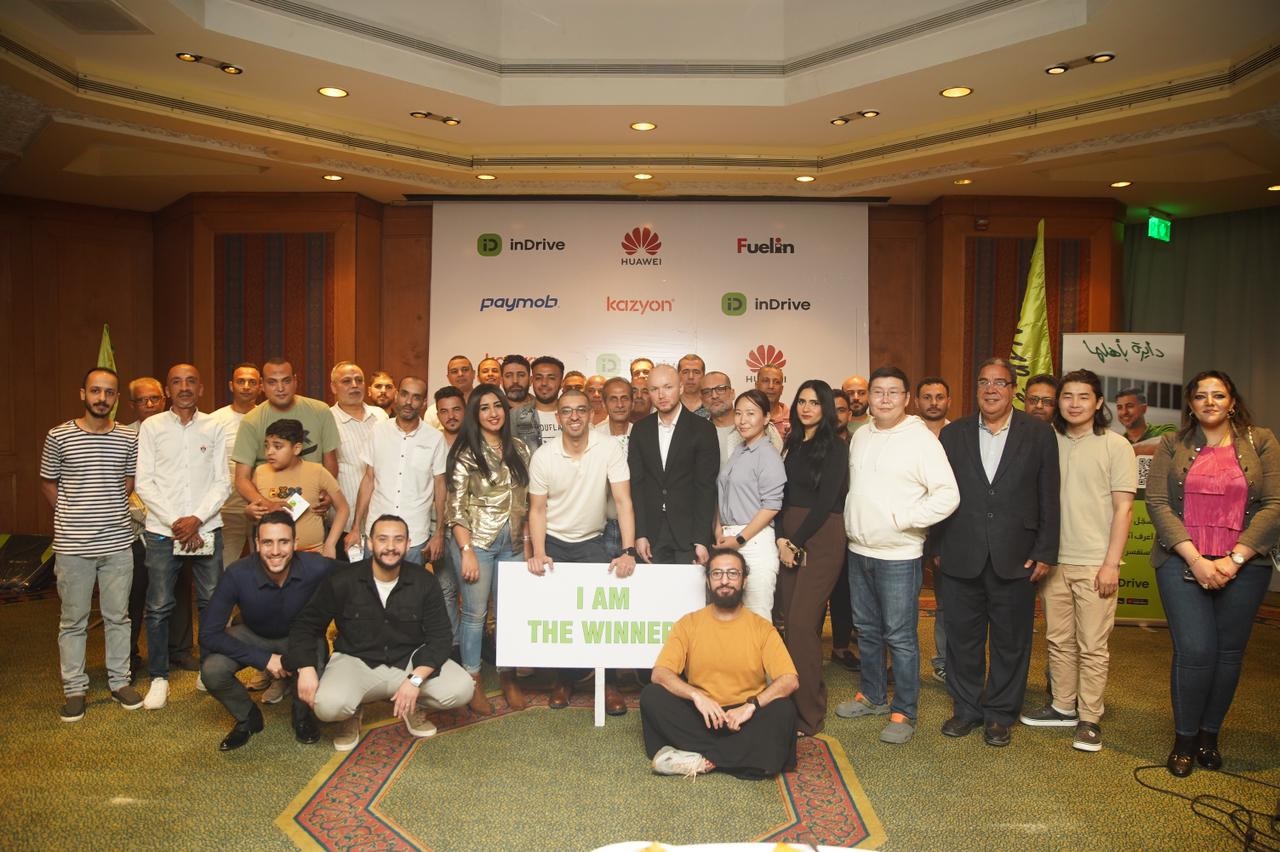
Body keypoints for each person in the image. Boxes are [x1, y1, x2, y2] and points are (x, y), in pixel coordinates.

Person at [1146, 370, 1279, 777]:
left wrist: (1234, 559)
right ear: (1191, 404)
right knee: (1195, 651)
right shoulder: (1172, 443)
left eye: (1218, 395)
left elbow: (1275, 504)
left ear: (1232, 402)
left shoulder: (1262, 440)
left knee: (1227, 654)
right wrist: (1197, 560)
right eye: (1201, 396)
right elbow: (1157, 502)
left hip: (1245, 565)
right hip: (1181, 560)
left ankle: (1209, 736)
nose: (1209, 402)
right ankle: (1184, 739)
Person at [933, 358, 1059, 748]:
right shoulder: (952, 434)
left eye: (1000, 383)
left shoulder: (1038, 434)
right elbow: (937, 492)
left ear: (1013, 390)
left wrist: (1045, 551)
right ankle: (967, 709)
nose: (991, 389)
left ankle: (1000, 714)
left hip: (1017, 555)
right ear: (976, 389)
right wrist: (936, 546)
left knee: (1011, 641)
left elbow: (1049, 495)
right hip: (960, 553)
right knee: (962, 640)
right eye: (984, 382)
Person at [835, 367, 959, 744]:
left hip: (899, 555)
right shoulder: (861, 436)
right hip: (859, 550)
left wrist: (904, 520)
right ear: (868, 398)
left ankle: (904, 710)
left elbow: (948, 495)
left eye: (893, 392)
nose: (885, 399)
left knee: (900, 636)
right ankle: (873, 696)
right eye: (878, 391)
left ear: (906, 398)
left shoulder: (921, 440)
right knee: (867, 630)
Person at [1020, 369, 1135, 753]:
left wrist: (1111, 564)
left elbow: (1123, 510)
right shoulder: (1048, 440)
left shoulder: (1115, 446)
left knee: (1092, 645)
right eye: (1067, 396)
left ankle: (1089, 718)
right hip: (1053, 560)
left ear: (1098, 402)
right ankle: (1062, 706)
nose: (1074, 404)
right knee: (1058, 640)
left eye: (1083, 397)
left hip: (1095, 562)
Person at [289, 515, 475, 751]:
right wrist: (305, 668)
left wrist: (415, 680)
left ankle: (412, 705)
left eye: (398, 540)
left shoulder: (424, 581)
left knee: (462, 688)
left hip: (409, 662)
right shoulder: (342, 580)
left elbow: (441, 637)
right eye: (383, 539)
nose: (390, 547)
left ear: (408, 544)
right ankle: (352, 712)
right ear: (370, 543)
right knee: (327, 706)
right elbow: (306, 625)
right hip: (356, 662)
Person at [641, 549, 799, 778]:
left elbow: (789, 680)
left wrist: (751, 706)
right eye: (717, 574)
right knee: (652, 696)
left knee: (784, 710)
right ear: (708, 581)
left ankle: (703, 759)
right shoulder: (689, 623)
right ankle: (743, 758)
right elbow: (660, 673)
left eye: (733, 573)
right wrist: (697, 696)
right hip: (703, 714)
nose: (725, 580)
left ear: (744, 581)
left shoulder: (762, 628)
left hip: (745, 718)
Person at [41, 367, 144, 720]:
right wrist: (72, 513)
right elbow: (48, 482)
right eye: (96, 391)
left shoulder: (128, 438)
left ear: (117, 398)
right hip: (73, 547)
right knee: (73, 620)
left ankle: (120, 682)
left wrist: (105, 511)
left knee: (119, 617)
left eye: (109, 392)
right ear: (83, 393)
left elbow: (128, 483)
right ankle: (74, 688)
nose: (102, 398)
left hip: (118, 544)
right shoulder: (59, 436)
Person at [527, 388, 637, 714]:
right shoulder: (543, 456)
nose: (574, 416)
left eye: (580, 410)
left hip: (592, 541)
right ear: (558, 417)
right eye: (566, 411)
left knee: (602, 615)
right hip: (554, 541)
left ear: (591, 414)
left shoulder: (608, 448)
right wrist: (538, 551)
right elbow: (537, 509)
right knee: (561, 615)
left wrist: (628, 550)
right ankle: (565, 680)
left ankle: (609, 682)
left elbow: (623, 501)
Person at [134, 364, 231, 710]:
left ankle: (209, 670)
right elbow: (144, 482)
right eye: (176, 382)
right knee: (159, 606)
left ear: (200, 388)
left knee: (211, 603)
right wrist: (177, 522)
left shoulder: (214, 426)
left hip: (206, 527)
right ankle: (159, 677)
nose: (184, 387)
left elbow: (223, 481)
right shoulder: (152, 427)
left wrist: (196, 519)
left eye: (191, 381)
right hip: (164, 531)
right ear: (167, 390)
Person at [199, 512, 332, 751]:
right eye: (268, 542)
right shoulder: (237, 573)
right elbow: (208, 633)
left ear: (295, 543)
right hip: (254, 636)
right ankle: (248, 718)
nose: (276, 551)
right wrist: (264, 659)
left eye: (284, 542)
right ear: (257, 543)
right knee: (212, 670)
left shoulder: (316, 566)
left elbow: (361, 574)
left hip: (299, 638)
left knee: (316, 670)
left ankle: (302, 716)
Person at [446, 383, 533, 712]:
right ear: (475, 414)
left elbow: (528, 501)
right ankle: (473, 682)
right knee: (475, 615)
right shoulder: (465, 452)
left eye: (497, 406)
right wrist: (466, 550)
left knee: (509, 613)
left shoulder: (520, 448)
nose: (493, 413)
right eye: (484, 408)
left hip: (513, 543)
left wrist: (527, 544)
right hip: (477, 542)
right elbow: (455, 508)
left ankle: (509, 677)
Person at [344, 377, 451, 629]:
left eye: (416, 397)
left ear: (423, 403)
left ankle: (406, 644)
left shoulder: (434, 439)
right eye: (404, 394)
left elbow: (440, 486)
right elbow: (368, 479)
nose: (408, 402)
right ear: (397, 395)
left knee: (409, 601)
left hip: (414, 534)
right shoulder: (378, 431)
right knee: (370, 597)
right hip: (377, 532)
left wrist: (439, 532)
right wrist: (356, 527)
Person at [775, 379, 849, 736]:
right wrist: (781, 538)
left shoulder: (835, 446)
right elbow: (781, 496)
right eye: (802, 401)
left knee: (803, 624)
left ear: (826, 408)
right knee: (791, 624)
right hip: (789, 537)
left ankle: (810, 712)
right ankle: (791, 704)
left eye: (815, 403)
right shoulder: (791, 443)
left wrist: (794, 541)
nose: (806, 408)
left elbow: (826, 502)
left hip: (820, 537)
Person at [124, 375, 195, 677]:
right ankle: (127, 656)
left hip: (175, 527)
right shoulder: (124, 436)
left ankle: (179, 650)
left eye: (155, 398)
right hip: (135, 530)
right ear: (133, 404)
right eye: (143, 400)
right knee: (134, 595)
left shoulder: (179, 432)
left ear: (164, 399)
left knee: (178, 590)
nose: (150, 404)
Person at [629, 365, 720, 565]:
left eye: (668, 387)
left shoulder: (703, 429)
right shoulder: (640, 430)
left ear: (681, 388)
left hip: (689, 533)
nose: (661, 395)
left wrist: (701, 539)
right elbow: (637, 484)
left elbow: (705, 487)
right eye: (654, 389)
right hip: (651, 533)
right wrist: (640, 533)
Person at [232, 357, 341, 513]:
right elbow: (241, 479)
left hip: (313, 506)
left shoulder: (320, 411)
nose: (280, 388)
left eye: (286, 381)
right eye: (272, 382)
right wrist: (269, 505)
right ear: (262, 385)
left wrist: (327, 493)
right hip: (270, 509)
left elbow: (330, 461)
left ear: (295, 381)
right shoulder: (251, 421)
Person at [712, 389, 785, 621]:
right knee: (730, 615)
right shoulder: (738, 450)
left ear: (766, 418)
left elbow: (772, 506)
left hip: (754, 541)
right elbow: (723, 493)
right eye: (739, 413)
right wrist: (718, 528)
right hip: (729, 537)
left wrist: (740, 539)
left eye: (751, 413)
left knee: (757, 615)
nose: (743, 420)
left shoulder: (768, 455)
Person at [250, 419, 348, 557]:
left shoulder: (317, 471)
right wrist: (249, 512)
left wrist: (330, 544)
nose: (269, 452)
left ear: (296, 448)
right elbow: (253, 511)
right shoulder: (260, 472)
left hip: (312, 553)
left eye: (277, 446)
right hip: (273, 556)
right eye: (267, 446)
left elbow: (343, 508)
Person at [915, 375, 952, 682]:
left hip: (946, 531)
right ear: (916, 402)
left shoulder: (959, 435)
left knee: (947, 600)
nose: (933, 403)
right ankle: (901, 663)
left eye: (939, 397)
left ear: (948, 401)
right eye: (927, 397)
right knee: (902, 603)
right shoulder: (907, 434)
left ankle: (944, 660)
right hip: (909, 530)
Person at [211, 363, 262, 567]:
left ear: (260, 387)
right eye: (241, 381)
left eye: (252, 382)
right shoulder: (215, 421)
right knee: (224, 567)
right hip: (228, 507)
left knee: (267, 565)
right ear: (231, 385)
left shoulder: (268, 416)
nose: (246, 386)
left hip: (262, 504)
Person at [328, 362, 386, 538]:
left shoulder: (380, 416)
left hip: (382, 515)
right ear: (333, 387)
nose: (354, 385)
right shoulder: (327, 419)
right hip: (344, 519)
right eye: (346, 381)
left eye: (359, 380)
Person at [594, 376, 635, 557]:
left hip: (636, 525)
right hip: (600, 527)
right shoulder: (593, 437)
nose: (619, 404)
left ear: (632, 403)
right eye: (613, 399)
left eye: (624, 398)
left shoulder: (643, 434)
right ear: (604, 403)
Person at [1116, 387, 1176, 452]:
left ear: (1144, 409)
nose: (1124, 412)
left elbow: (1168, 443)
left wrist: (1124, 450)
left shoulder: (1166, 429)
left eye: (1129, 406)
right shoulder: (1118, 442)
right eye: (1119, 407)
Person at [502, 354, 540, 449]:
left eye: (521, 375)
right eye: (508, 376)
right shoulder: (494, 413)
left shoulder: (542, 409)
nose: (515, 381)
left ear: (530, 380)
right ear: (501, 381)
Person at [701, 371, 738, 463]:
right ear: (702, 399)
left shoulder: (755, 428)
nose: (714, 396)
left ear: (732, 394)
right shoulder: (697, 432)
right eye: (707, 392)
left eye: (720, 389)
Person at [530, 356, 566, 446]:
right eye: (538, 378)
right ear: (532, 381)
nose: (544, 383)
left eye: (551, 378)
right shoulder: (515, 417)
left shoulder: (575, 415)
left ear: (562, 383)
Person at [755, 365, 790, 441]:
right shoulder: (744, 418)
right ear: (756, 386)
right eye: (765, 381)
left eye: (776, 382)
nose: (771, 386)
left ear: (782, 389)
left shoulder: (794, 420)